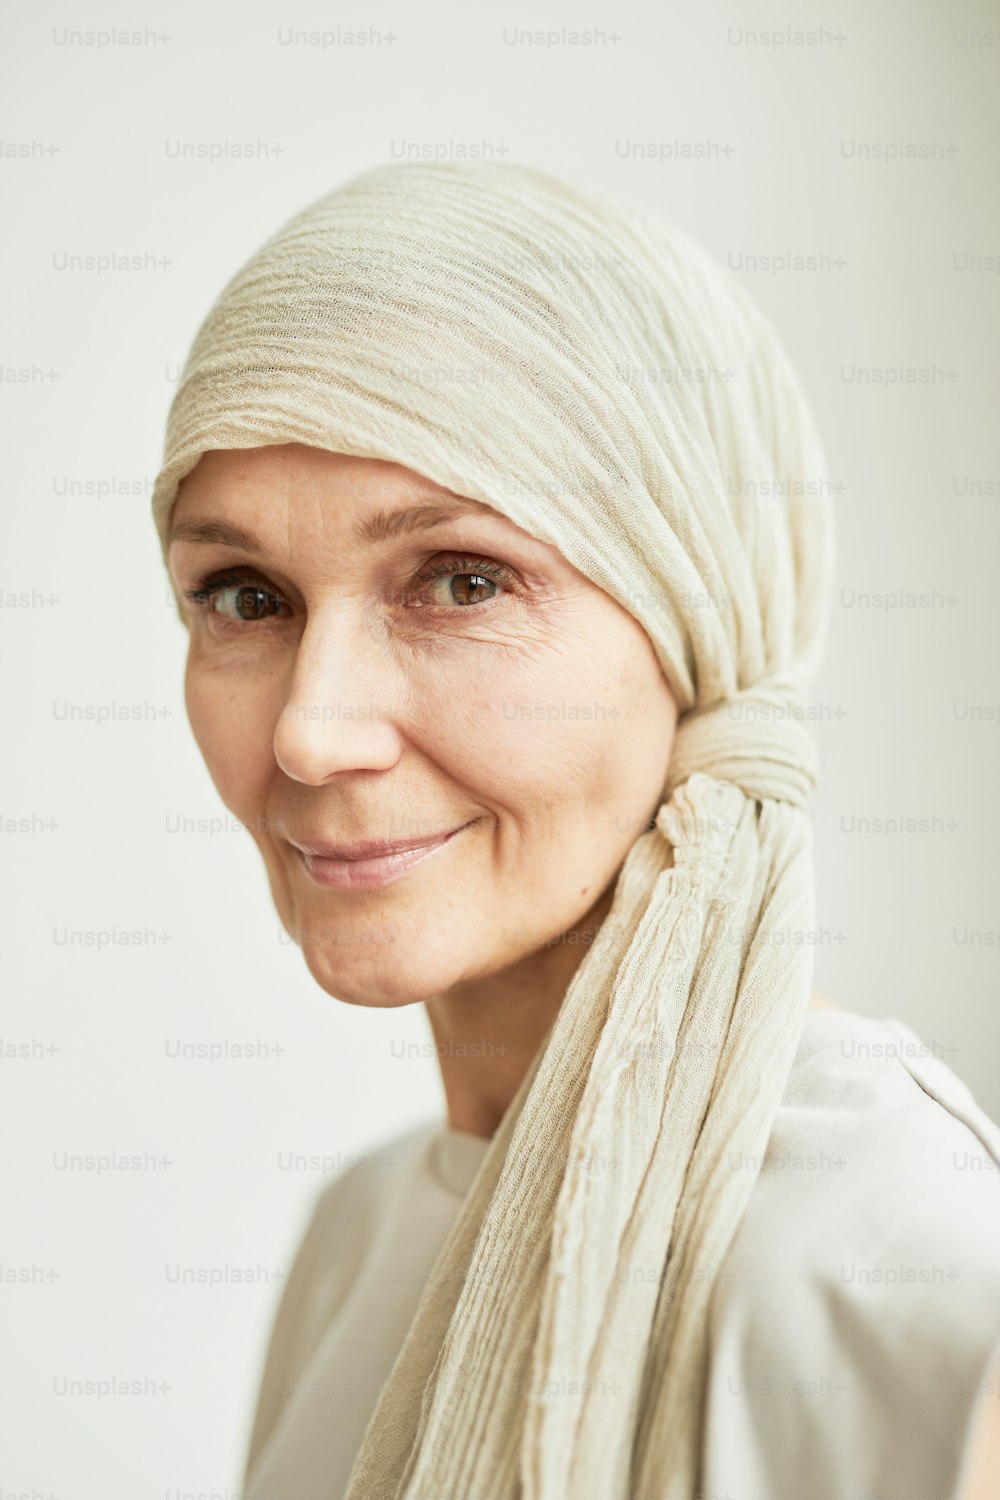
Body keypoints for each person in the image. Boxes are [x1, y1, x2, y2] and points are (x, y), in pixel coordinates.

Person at [151, 161, 1000, 1499]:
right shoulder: (356, 1239)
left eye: (463, 579)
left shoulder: (900, 1274)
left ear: (699, 620)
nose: (313, 732)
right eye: (244, 595)